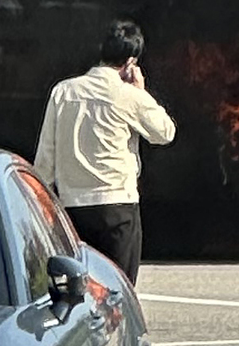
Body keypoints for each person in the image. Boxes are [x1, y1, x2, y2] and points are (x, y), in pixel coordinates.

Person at [34, 20, 176, 284]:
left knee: (78, 288)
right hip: (117, 206)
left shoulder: (63, 91)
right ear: (131, 61)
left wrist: (43, 200)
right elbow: (164, 133)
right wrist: (141, 91)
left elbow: (46, 156)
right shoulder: (128, 95)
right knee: (118, 288)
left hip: (73, 207)